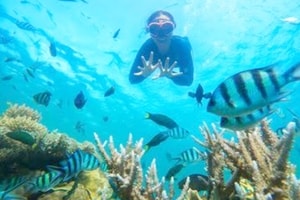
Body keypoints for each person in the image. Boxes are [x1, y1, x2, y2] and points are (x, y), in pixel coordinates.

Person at [129, 10, 194, 86]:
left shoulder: (182, 45)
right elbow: (132, 79)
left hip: (179, 58)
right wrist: (144, 75)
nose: (161, 34)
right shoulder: (147, 47)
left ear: (174, 27)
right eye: (154, 28)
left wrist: (171, 75)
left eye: (167, 28)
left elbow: (188, 81)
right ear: (149, 31)